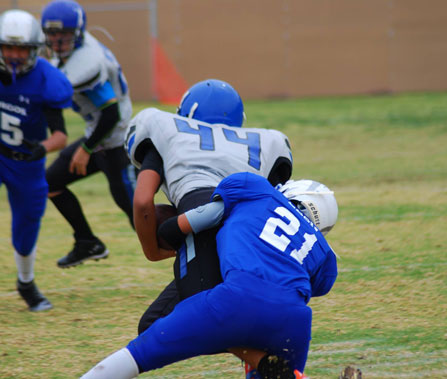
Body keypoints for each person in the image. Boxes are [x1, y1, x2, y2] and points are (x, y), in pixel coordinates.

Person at [81, 172, 339, 378]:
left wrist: (172, 234)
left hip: (236, 298)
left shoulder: (254, 188)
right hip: (294, 321)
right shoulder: (325, 255)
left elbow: (191, 222)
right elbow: (316, 285)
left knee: (140, 353)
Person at [125, 79, 293, 335]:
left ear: (187, 114)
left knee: (162, 326)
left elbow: (142, 201)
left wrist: (153, 251)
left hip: (204, 223)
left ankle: (275, 365)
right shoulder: (266, 141)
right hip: (256, 241)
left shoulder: (168, 132)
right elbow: (276, 202)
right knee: (222, 317)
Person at [0, 9, 73, 311]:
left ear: (35, 50)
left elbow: (61, 136)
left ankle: (26, 282)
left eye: (22, 48)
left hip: (27, 164)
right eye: (9, 47)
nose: (16, 55)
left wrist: (41, 149)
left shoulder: (46, 81)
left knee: (25, 231)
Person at [41, 0, 136, 268]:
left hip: (117, 143)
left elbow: (110, 114)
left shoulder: (88, 64)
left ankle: (192, 261)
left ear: (78, 33)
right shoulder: (73, 52)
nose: (58, 41)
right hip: (99, 139)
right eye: (53, 34)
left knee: (139, 215)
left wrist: (86, 149)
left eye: (64, 35)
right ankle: (87, 242)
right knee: (50, 183)